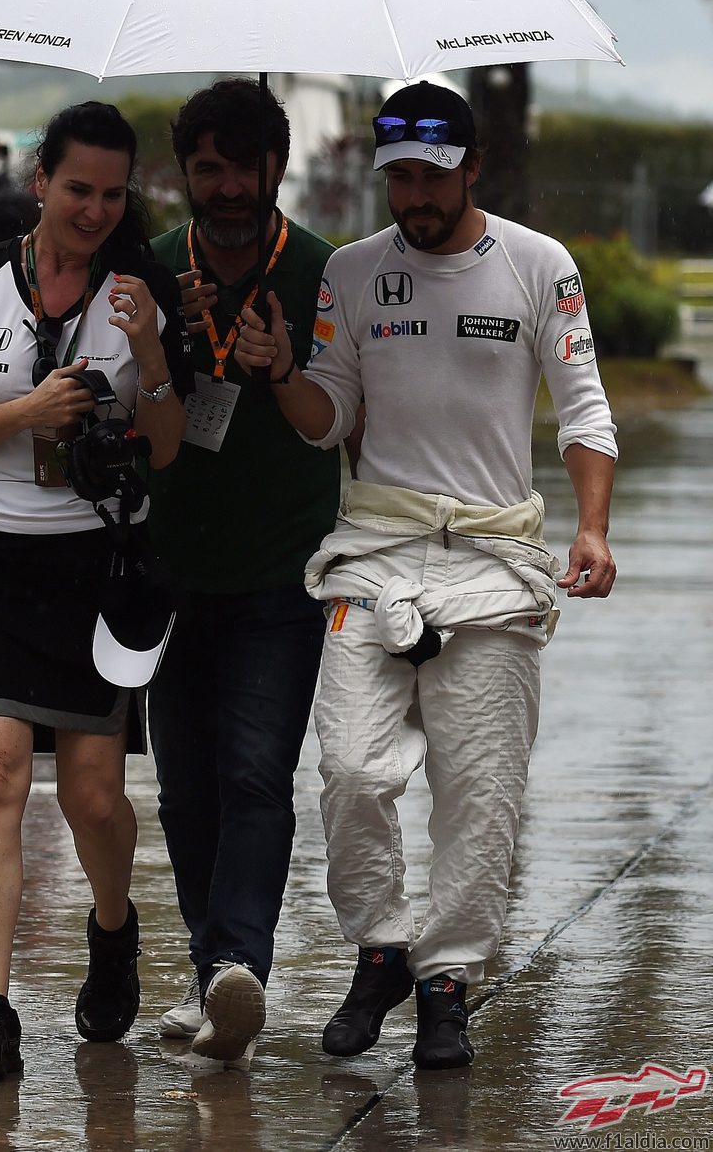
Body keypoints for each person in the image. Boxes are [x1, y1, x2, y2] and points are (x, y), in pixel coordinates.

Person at [235, 81, 618, 1070]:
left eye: (433, 176)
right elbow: (327, 417)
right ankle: (381, 945)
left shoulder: (542, 266)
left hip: (494, 562)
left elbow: (584, 407)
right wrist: (280, 370)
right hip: (373, 552)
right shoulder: (354, 275)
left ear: (471, 166)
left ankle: (446, 981)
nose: (415, 194)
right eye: (399, 176)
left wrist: (593, 528)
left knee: (478, 789)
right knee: (354, 767)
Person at [0, 101, 193, 1082]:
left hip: (91, 559)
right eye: (78, 189)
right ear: (41, 181)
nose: (95, 209)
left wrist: (153, 354)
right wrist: (31, 409)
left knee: (93, 794)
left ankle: (113, 929)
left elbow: (164, 445)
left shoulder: (139, 288)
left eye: (114, 194)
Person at [146, 78, 343, 1063]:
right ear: (184, 171)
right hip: (170, 571)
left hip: (282, 570)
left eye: (243, 165)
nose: (225, 187)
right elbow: (125, 432)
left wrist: (279, 364)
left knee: (257, 772)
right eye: (206, 167)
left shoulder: (322, 272)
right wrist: (167, 353)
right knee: (185, 790)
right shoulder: (142, 273)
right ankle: (208, 972)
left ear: (278, 163)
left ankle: (239, 966)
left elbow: (343, 427)